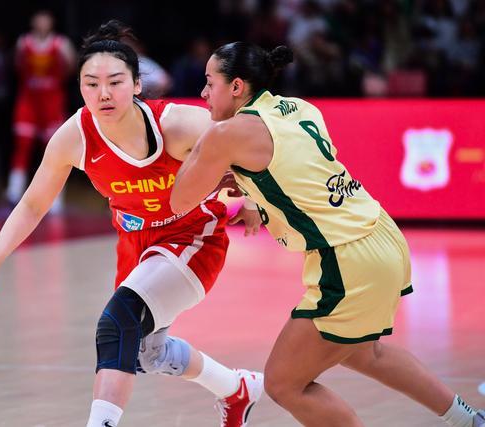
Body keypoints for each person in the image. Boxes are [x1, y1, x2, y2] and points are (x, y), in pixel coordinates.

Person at [0, 22, 264, 427]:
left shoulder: (178, 124)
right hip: (136, 244)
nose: (104, 94)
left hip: (193, 236)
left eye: (115, 82)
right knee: (146, 353)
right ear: (79, 87)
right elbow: (33, 204)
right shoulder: (74, 136)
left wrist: (252, 199)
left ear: (137, 85)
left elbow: (252, 142)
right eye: (91, 84)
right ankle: (237, 388)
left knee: (117, 323)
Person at [170, 42, 485, 427]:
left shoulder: (227, 133)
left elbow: (179, 199)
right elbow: (301, 174)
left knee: (284, 383)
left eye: (209, 82)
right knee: (365, 354)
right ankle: (470, 420)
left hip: (346, 259)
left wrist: (199, 146)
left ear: (236, 86)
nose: (203, 93)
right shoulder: (300, 108)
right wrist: (251, 189)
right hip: (381, 234)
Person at [7, 10, 76, 212]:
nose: (42, 24)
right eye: (39, 20)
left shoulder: (61, 44)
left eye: (46, 20)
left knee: (54, 149)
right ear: (33, 22)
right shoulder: (23, 42)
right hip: (29, 101)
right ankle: (14, 193)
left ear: (51, 23)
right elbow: (17, 66)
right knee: (22, 145)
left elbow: (71, 68)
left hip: (52, 102)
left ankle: (55, 198)